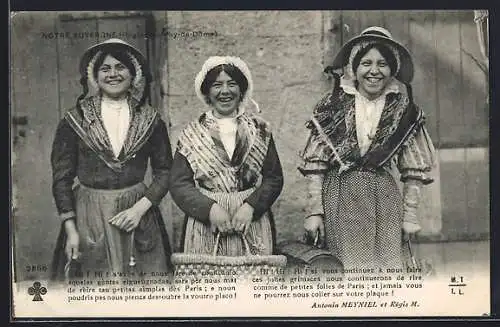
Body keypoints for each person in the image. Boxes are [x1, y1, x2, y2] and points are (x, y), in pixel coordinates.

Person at [299, 27, 436, 271]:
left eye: (382, 64)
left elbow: (414, 170)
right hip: (340, 198)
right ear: (354, 67)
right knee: (344, 267)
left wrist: (410, 216)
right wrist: (314, 213)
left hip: (383, 200)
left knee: (384, 267)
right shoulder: (332, 107)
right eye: (366, 63)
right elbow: (315, 166)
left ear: (392, 68)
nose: (374, 71)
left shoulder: (403, 111)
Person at [50, 38, 173, 280]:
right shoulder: (74, 120)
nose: (113, 74)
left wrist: (139, 210)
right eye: (105, 69)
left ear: (134, 73)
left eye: (120, 67)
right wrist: (71, 229)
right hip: (89, 216)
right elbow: (62, 178)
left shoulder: (151, 119)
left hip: (137, 214)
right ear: (95, 76)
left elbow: (165, 171)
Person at [170, 56, 284, 256]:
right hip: (206, 224)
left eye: (232, 84)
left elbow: (274, 178)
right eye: (216, 85)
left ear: (241, 90)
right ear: (206, 92)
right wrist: (209, 209)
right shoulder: (192, 133)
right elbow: (179, 183)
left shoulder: (259, 130)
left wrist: (251, 206)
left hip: (250, 221)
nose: (225, 91)